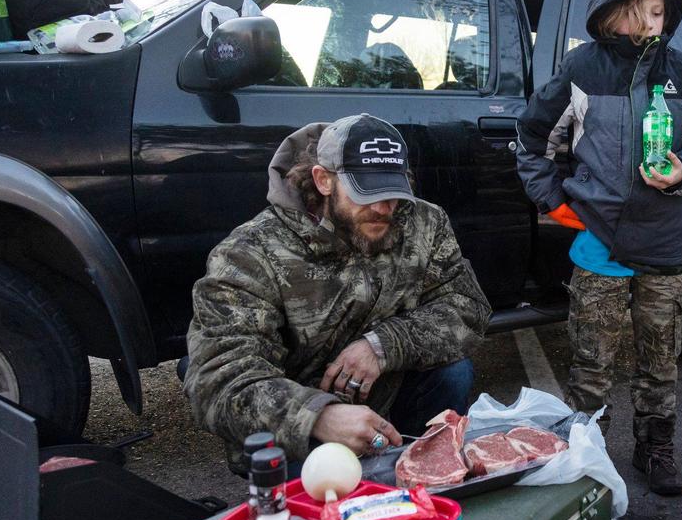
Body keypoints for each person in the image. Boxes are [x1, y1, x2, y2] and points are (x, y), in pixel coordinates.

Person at [516, 0, 682, 495]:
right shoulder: (581, 69)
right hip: (599, 241)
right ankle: (588, 452)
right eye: (645, 12)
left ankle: (655, 448)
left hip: (663, 242)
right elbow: (533, 139)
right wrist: (554, 200)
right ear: (615, 15)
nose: (655, 23)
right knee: (592, 362)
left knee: (660, 360)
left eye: (661, 13)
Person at [185, 113, 491, 474]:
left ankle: (422, 471)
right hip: (298, 425)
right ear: (323, 180)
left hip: (387, 393)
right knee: (334, 513)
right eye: (367, 192)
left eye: (392, 192)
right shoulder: (249, 252)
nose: (383, 208)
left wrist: (384, 345)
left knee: (452, 371)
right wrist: (318, 415)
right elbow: (217, 379)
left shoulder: (424, 221)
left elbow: (467, 307)